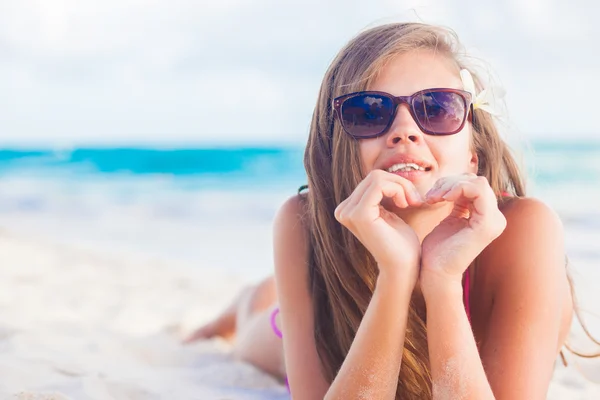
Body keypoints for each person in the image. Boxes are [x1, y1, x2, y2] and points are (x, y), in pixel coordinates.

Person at [184, 22, 598, 399]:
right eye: (370, 112)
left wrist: (443, 278)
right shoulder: (303, 224)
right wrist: (395, 275)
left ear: (473, 153)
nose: (404, 130)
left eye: (437, 108)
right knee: (254, 337)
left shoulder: (524, 231)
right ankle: (249, 302)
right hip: (315, 336)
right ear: (339, 148)